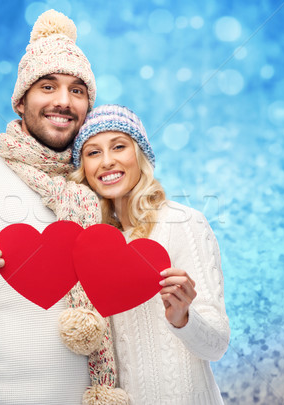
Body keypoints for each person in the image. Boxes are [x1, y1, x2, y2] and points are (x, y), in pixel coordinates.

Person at [0, 10, 127, 405]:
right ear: (21, 101)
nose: (63, 101)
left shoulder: (102, 187)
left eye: (77, 90)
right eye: (47, 86)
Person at [69, 104, 231, 405]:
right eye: (93, 152)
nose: (107, 162)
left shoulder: (183, 222)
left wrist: (183, 317)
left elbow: (218, 345)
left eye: (119, 147)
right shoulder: (92, 247)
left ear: (140, 155)